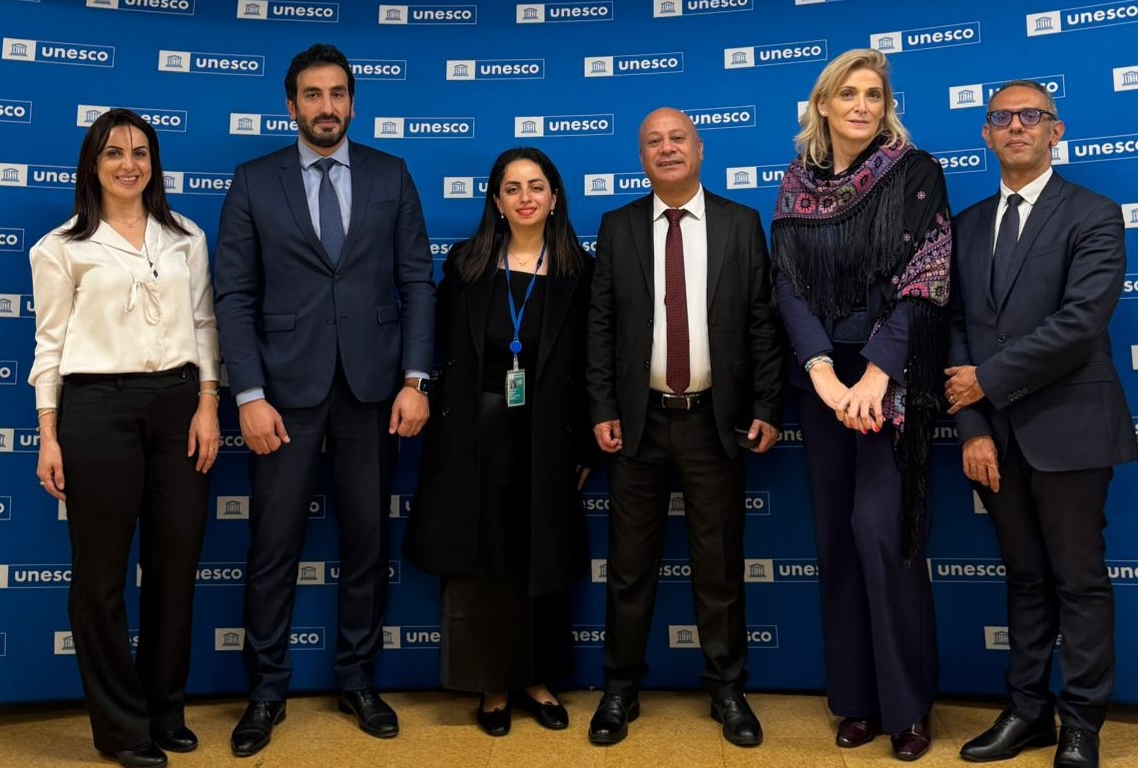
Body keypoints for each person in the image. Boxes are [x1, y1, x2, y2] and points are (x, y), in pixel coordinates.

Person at [213, 43, 435, 757]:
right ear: (292, 106)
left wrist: (416, 380)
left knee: (367, 544)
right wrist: (248, 394)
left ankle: (358, 680)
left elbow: (417, 283)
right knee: (273, 546)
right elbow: (233, 295)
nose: (327, 106)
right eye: (313, 95)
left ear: (353, 103)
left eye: (338, 93)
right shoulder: (254, 181)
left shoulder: (391, 174)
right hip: (282, 396)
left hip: (374, 391)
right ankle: (265, 691)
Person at [947, 80, 1137, 768]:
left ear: (1056, 131)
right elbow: (955, 330)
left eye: (1032, 116)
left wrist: (988, 380)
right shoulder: (966, 225)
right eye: (1002, 117)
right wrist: (973, 427)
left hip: (1071, 428)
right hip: (994, 438)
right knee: (1025, 579)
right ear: (986, 135)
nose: (1016, 126)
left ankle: (1082, 723)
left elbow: (1080, 324)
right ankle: (1028, 712)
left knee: (1078, 580)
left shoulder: (1094, 213)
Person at [770, 48, 950, 762]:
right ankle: (857, 702)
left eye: (874, 95)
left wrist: (878, 374)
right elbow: (787, 285)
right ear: (823, 104)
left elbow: (927, 276)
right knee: (838, 541)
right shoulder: (795, 182)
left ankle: (908, 709)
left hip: (892, 380)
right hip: (824, 383)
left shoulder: (916, 172)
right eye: (848, 93)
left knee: (883, 535)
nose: (862, 106)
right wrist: (821, 372)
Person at [586, 107, 783, 748]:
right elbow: (600, 326)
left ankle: (727, 691)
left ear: (700, 150)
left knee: (719, 566)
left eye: (678, 139)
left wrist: (767, 406)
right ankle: (619, 690)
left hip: (714, 422)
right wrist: (602, 408)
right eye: (654, 141)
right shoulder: (617, 227)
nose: (667, 149)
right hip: (638, 422)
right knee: (628, 567)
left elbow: (762, 322)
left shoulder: (740, 223)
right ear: (641, 157)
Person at [29, 108, 220, 768]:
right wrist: (48, 434)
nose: (128, 164)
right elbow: (49, 346)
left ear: (154, 163)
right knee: (100, 578)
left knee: (175, 566)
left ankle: (165, 709)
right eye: (113, 152)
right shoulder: (60, 248)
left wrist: (208, 404)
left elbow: (205, 325)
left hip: (179, 408)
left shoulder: (186, 236)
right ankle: (121, 728)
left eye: (140, 152)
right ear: (93, 164)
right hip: (96, 410)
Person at [404, 147, 594, 737]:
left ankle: (536, 680)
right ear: (496, 201)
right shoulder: (466, 264)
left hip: (549, 437)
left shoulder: (581, 272)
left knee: (539, 554)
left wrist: (586, 447)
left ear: (555, 197)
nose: (525, 197)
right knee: (485, 562)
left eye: (536, 186)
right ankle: (490, 686)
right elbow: (436, 343)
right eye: (512, 188)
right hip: (475, 437)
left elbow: (596, 364)